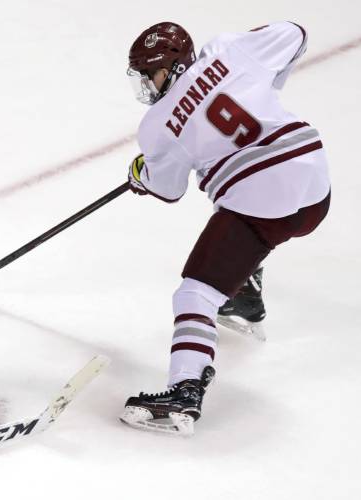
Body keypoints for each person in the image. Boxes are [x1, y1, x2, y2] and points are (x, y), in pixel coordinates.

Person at [119, 22, 330, 435]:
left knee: (195, 292)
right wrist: (263, 79)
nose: (147, 83)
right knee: (253, 226)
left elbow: (168, 188)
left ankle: (184, 390)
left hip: (261, 200)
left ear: (174, 68)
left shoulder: (158, 123)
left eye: (152, 73)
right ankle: (245, 291)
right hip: (314, 186)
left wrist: (141, 175)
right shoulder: (229, 49)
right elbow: (297, 34)